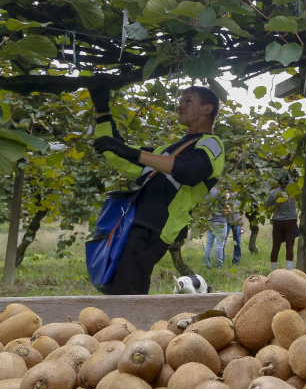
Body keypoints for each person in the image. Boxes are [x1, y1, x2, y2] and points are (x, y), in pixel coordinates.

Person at [90, 85, 225, 295]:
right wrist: (103, 113)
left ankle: (128, 325)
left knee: (128, 287)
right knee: (118, 284)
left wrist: (134, 153)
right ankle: (120, 325)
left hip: (157, 226)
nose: (180, 106)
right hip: (136, 223)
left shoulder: (212, 144)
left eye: (188, 100)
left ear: (208, 108)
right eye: (180, 101)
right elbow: (119, 155)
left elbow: (191, 170)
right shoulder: (167, 151)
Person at [265, 175, 298, 272]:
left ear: (278, 182)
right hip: (291, 221)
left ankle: (273, 270)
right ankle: (290, 270)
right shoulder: (292, 192)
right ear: (288, 182)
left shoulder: (273, 193)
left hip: (278, 222)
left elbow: (266, 204)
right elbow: (291, 182)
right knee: (290, 246)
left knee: (275, 246)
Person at [202, 187, 229, 269]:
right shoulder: (221, 192)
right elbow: (226, 208)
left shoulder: (206, 193)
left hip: (210, 222)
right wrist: (227, 198)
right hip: (220, 221)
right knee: (220, 244)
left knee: (209, 245)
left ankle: (206, 265)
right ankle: (219, 265)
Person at [226, 191, 243, 265]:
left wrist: (242, 225)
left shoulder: (239, 195)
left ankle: (236, 260)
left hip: (237, 222)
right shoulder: (225, 195)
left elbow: (242, 211)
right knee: (223, 241)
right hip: (226, 221)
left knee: (237, 242)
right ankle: (221, 261)